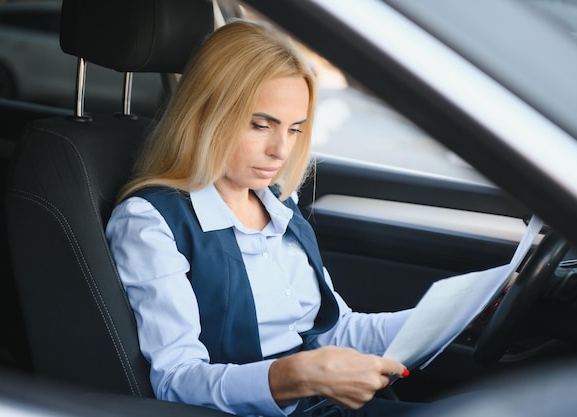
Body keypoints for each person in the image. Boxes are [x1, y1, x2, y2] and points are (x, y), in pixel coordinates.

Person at [106, 19, 425, 417]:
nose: (281, 150)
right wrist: (295, 377)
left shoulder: (277, 204)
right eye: (261, 125)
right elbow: (177, 381)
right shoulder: (151, 222)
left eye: (294, 130)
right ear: (206, 114)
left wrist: (450, 315)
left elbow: (335, 330)